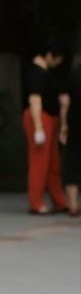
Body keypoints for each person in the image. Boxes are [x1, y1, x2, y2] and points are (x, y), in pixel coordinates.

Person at [22, 43, 68, 214]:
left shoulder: (43, 72)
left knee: (53, 163)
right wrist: (39, 128)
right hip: (40, 117)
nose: (57, 63)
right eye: (57, 59)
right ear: (49, 55)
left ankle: (59, 199)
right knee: (39, 163)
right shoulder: (36, 72)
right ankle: (36, 202)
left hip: (49, 118)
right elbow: (35, 100)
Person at [62, 61, 80, 218]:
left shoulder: (73, 74)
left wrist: (63, 125)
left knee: (73, 162)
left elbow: (65, 102)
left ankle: (73, 205)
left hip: (75, 124)